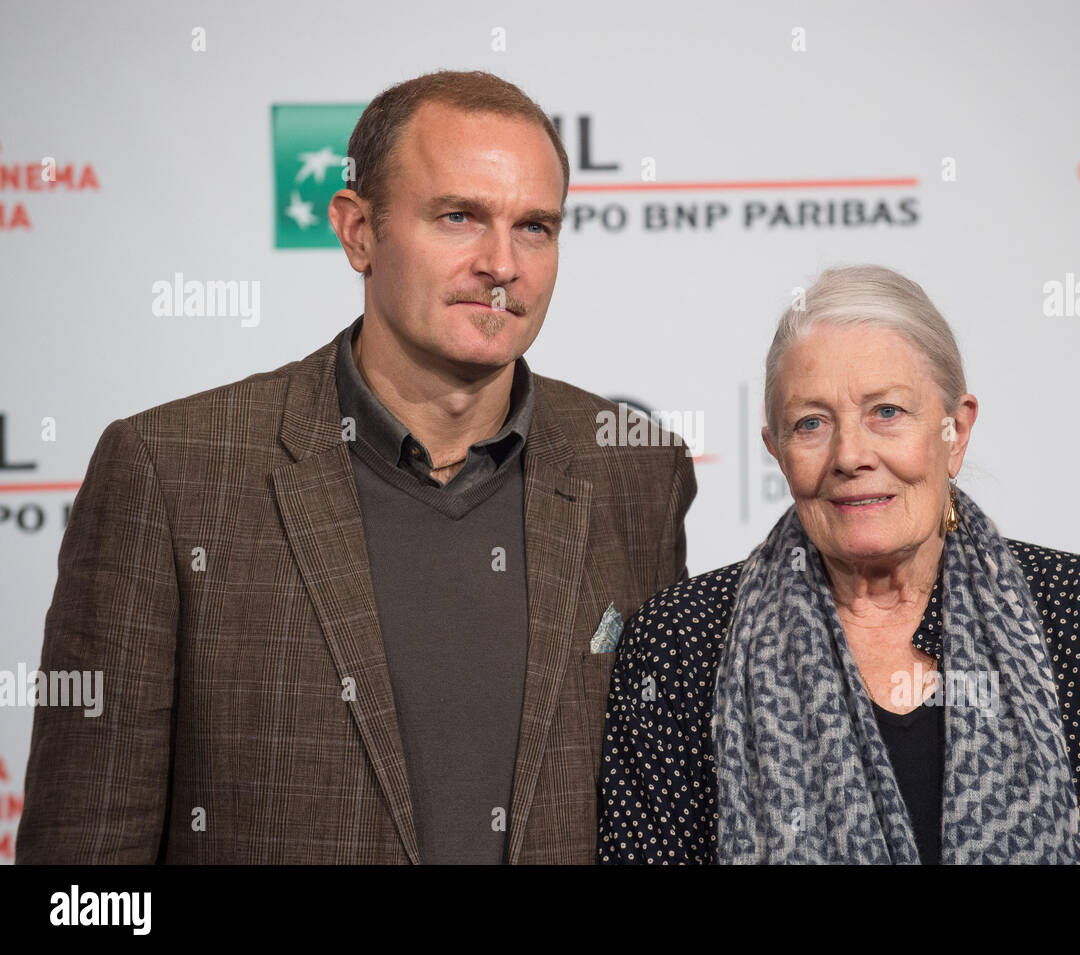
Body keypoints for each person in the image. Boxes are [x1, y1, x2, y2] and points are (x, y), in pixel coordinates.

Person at [17, 70, 695, 865]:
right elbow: (83, 871)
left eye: (536, 227)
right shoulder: (171, 472)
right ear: (357, 231)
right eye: (458, 217)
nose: (502, 264)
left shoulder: (636, 469)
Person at [599, 265, 1080, 864]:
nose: (851, 455)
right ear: (777, 452)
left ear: (955, 431)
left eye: (886, 412)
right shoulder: (679, 642)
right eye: (812, 423)